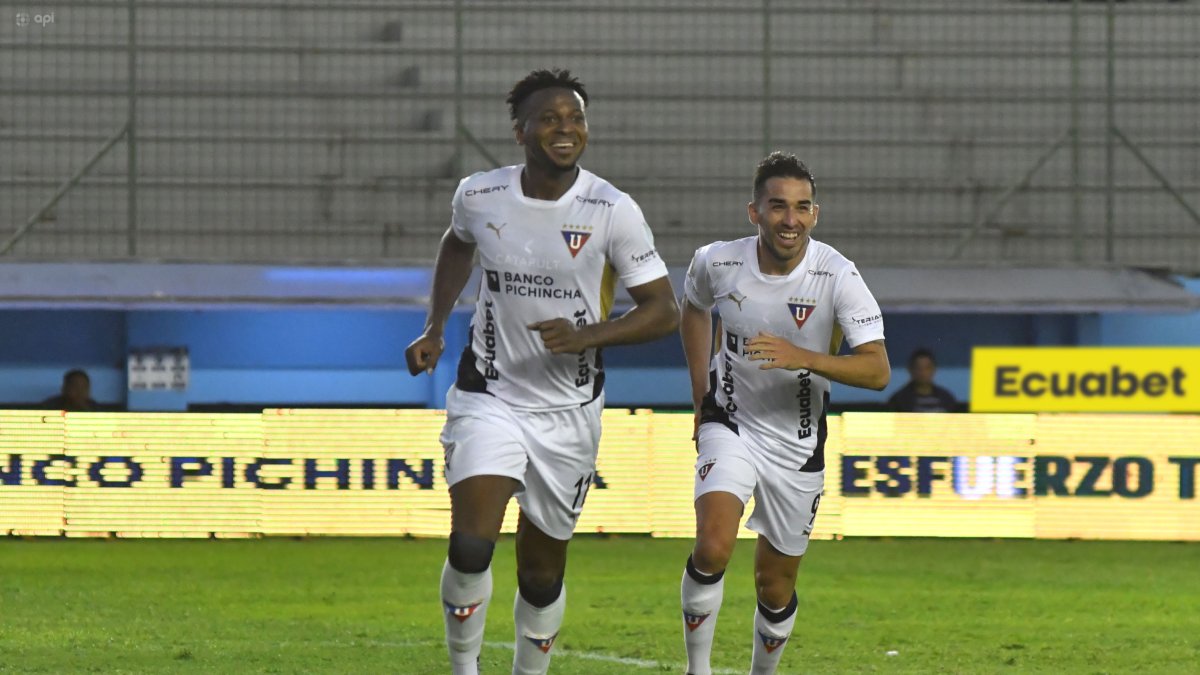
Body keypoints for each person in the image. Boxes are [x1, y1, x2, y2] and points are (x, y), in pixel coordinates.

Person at [403, 68, 679, 675]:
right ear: (520, 131)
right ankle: (464, 668)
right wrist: (435, 325)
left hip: (569, 411)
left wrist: (588, 337)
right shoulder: (478, 195)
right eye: (551, 118)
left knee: (540, 570)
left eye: (576, 118)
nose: (566, 129)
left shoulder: (613, 209)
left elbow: (665, 310)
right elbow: (457, 244)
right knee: (471, 543)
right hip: (488, 393)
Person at [677, 152, 890, 675]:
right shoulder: (716, 262)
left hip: (797, 445)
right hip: (731, 425)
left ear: (816, 213)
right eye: (777, 207)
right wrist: (701, 394)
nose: (789, 219)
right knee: (713, 546)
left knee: (775, 587)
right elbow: (694, 309)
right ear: (754, 212)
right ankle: (697, 669)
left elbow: (879, 371)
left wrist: (804, 358)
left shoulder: (838, 275)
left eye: (801, 207)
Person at [887, 348, 959, 412]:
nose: (923, 372)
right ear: (910, 369)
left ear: (934, 369)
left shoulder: (946, 398)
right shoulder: (899, 400)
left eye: (927, 368)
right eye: (918, 368)